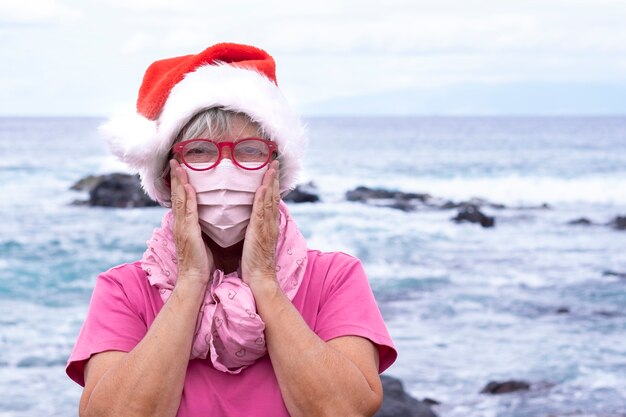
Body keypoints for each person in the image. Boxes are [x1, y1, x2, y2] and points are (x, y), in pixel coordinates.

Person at [66, 42, 397, 417]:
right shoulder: (125, 290)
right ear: (167, 173)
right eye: (200, 151)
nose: (226, 171)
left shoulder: (334, 278)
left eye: (250, 150)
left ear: (278, 169)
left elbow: (345, 409)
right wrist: (191, 280)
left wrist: (264, 281)